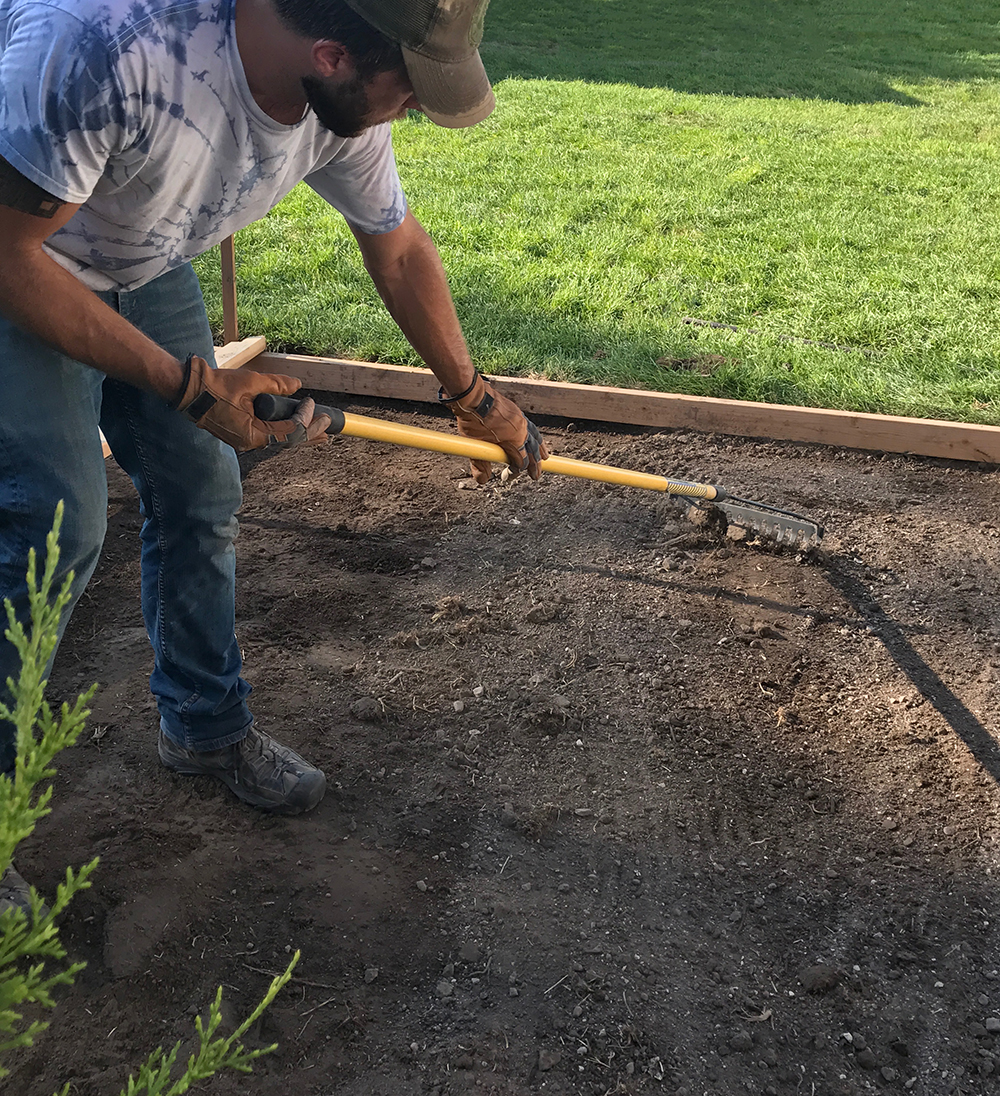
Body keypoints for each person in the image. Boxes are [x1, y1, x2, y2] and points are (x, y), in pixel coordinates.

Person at [0, 0, 548, 909]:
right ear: (331, 55)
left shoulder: (337, 95)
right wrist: (192, 388)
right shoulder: (106, 48)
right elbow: (6, 254)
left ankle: (205, 727)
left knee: (202, 489)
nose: (407, 113)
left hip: (139, 256)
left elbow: (399, 246)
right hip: (22, 257)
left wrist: (472, 396)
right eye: (406, 94)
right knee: (53, 526)